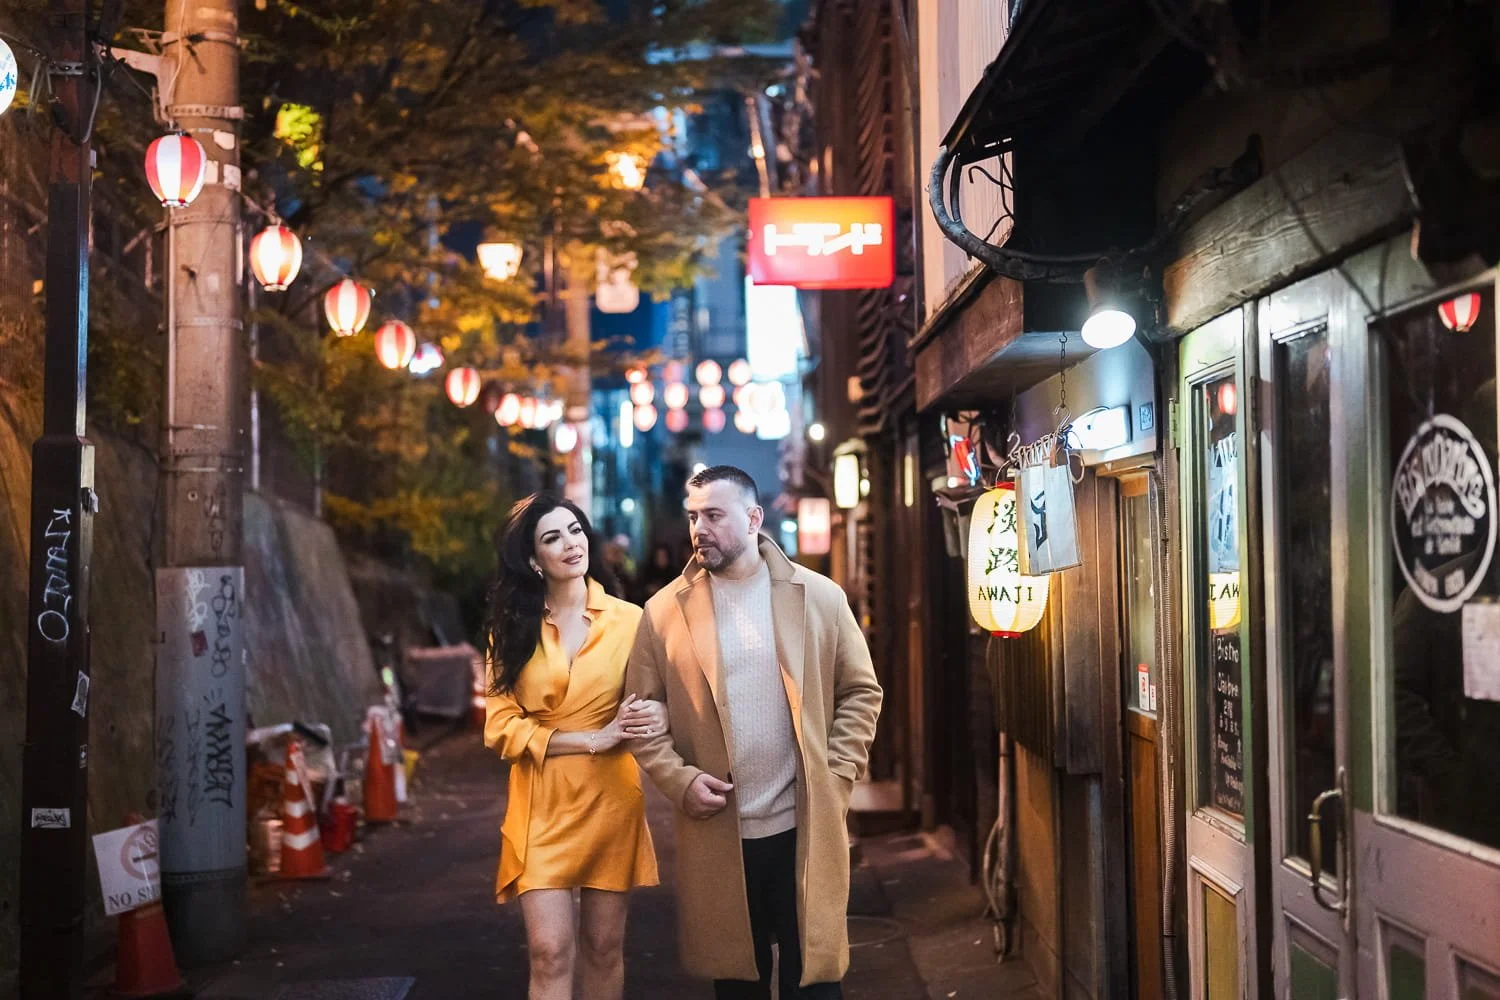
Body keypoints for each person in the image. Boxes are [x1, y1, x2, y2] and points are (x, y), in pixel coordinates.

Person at [625, 466, 883, 998]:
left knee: (813, 982)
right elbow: (641, 716)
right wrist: (678, 781)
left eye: (714, 515)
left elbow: (861, 691)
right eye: (694, 516)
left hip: (803, 822)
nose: (700, 528)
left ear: (753, 518)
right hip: (720, 827)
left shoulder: (817, 596)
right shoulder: (663, 613)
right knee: (737, 983)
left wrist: (837, 773)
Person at [482, 493, 667, 1000]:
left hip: (611, 799)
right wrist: (595, 737)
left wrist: (654, 717)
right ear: (532, 559)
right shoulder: (511, 627)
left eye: (575, 530)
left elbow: (663, 700)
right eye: (552, 538)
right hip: (540, 803)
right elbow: (499, 727)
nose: (570, 544)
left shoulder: (632, 620)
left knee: (605, 947)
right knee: (549, 950)